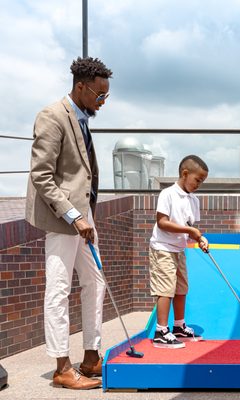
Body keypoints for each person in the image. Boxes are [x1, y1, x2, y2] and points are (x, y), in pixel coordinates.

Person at [25, 57, 112, 389]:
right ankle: (62, 367)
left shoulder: (82, 119)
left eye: (106, 96)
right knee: (58, 288)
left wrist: (85, 214)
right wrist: (74, 216)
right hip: (63, 219)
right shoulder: (51, 116)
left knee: (95, 281)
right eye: (99, 95)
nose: (102, 103)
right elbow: (41, 176)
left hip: (83, 215)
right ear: (81, 86)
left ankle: (91, 358)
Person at [149, 155, 209, 348]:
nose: (199, 184)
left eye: (202, 181)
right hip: (163, 248)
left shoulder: (194, 200)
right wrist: (190, 231)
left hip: (179, 249)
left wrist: (200, 238)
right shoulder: (168, 194)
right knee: (166, 289)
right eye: (197, 180)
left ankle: (178, 326)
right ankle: (161, 330)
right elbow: (162, 222)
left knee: (181, 288)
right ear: (185, 174)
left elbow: (190, 226)